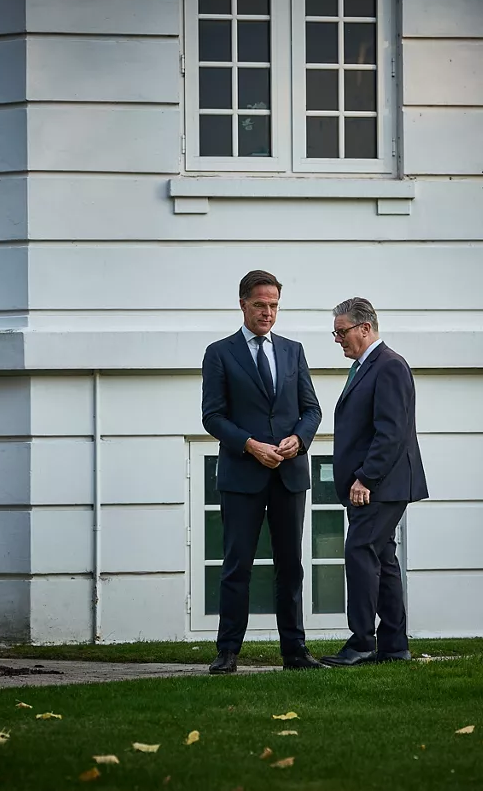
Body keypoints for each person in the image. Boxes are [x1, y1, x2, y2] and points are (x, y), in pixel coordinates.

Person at [201, 270, 325, 673]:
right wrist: (250, 445)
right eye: (260, 305)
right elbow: (212, 417)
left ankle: (295, 652)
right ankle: (227, 652)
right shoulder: (219, 353)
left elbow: (312, 409)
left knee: (291, 566)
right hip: (242, 474)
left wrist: (299, 440)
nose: (267, 312)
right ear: (243, 304)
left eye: (273, 305)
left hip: (289, 475)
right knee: (237, 565)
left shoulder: (293, 350)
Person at [321, 297, 428, 667]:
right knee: (382, 558)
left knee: (360, 552)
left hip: (381, 484)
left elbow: (391, 432)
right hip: (377, 484)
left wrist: (365, 477)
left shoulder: (389, 366)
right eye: (335, 332)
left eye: (342, 331)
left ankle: (362, 641)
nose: (338, 339)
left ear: (365, 328)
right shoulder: (366, 366)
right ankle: (395, 647)